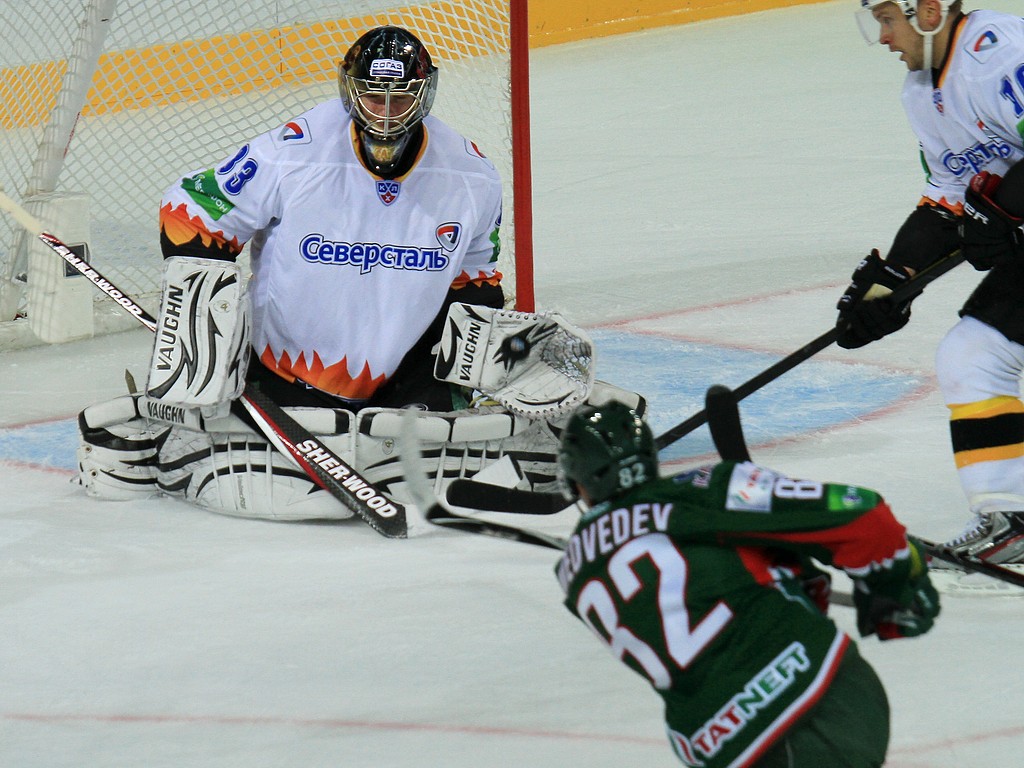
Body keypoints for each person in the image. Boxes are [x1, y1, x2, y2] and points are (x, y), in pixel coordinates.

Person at [75, 26, 642, 522]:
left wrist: (479, 367)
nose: (387, 112)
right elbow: (190, 210)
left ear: (427, 93)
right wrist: (202, 309)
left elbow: (477, 284)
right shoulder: (296, 152)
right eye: (374, 96)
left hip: (400, 380)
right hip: (282, 376)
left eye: (402, 97)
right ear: (351, 89)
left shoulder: (471, 175)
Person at [554, 400, 940, 768]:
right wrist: (893, 585)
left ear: (579, 480)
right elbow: (865, 519)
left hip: (718, 744)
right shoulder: (704, 491)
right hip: (817, 701)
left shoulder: (573, 573)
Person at [836, 0, 1024, 563]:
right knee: (973, 353)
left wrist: (1008, 206)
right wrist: (893, 280)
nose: (885, 38)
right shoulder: (922, 93)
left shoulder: (1001, 51)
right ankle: (1011, 517)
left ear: (930, 11)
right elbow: (948, 199)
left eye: (889, 20)